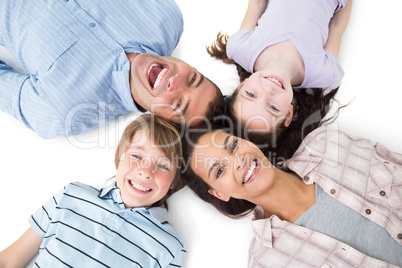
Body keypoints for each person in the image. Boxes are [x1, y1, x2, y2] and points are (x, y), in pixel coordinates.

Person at [0, 0, 224, 139]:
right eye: (193, 79)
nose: (175, 82)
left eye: (177, 104)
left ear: (158, 118)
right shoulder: (164, 16)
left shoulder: (63, 111)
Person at [182, 126, 402, 267]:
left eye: (232, 146)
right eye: (219, 171)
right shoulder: (266, 261)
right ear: (220, 193)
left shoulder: (326, 145)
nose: (237, 160)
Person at [0, 114, 186, 267]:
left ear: (174, 182)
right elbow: (8, 261)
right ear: (119, 158)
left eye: (163, 165)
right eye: (136, 156)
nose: (145, 172)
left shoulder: (169, 247)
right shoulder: (72, 196)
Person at [207, 0, 352, 135]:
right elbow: (337, 25)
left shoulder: (240, 48)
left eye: (251, 94)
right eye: (273, 107)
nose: (268, 91)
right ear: (289, 113)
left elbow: (257, 4)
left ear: (241, 86)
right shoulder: (324, 74)